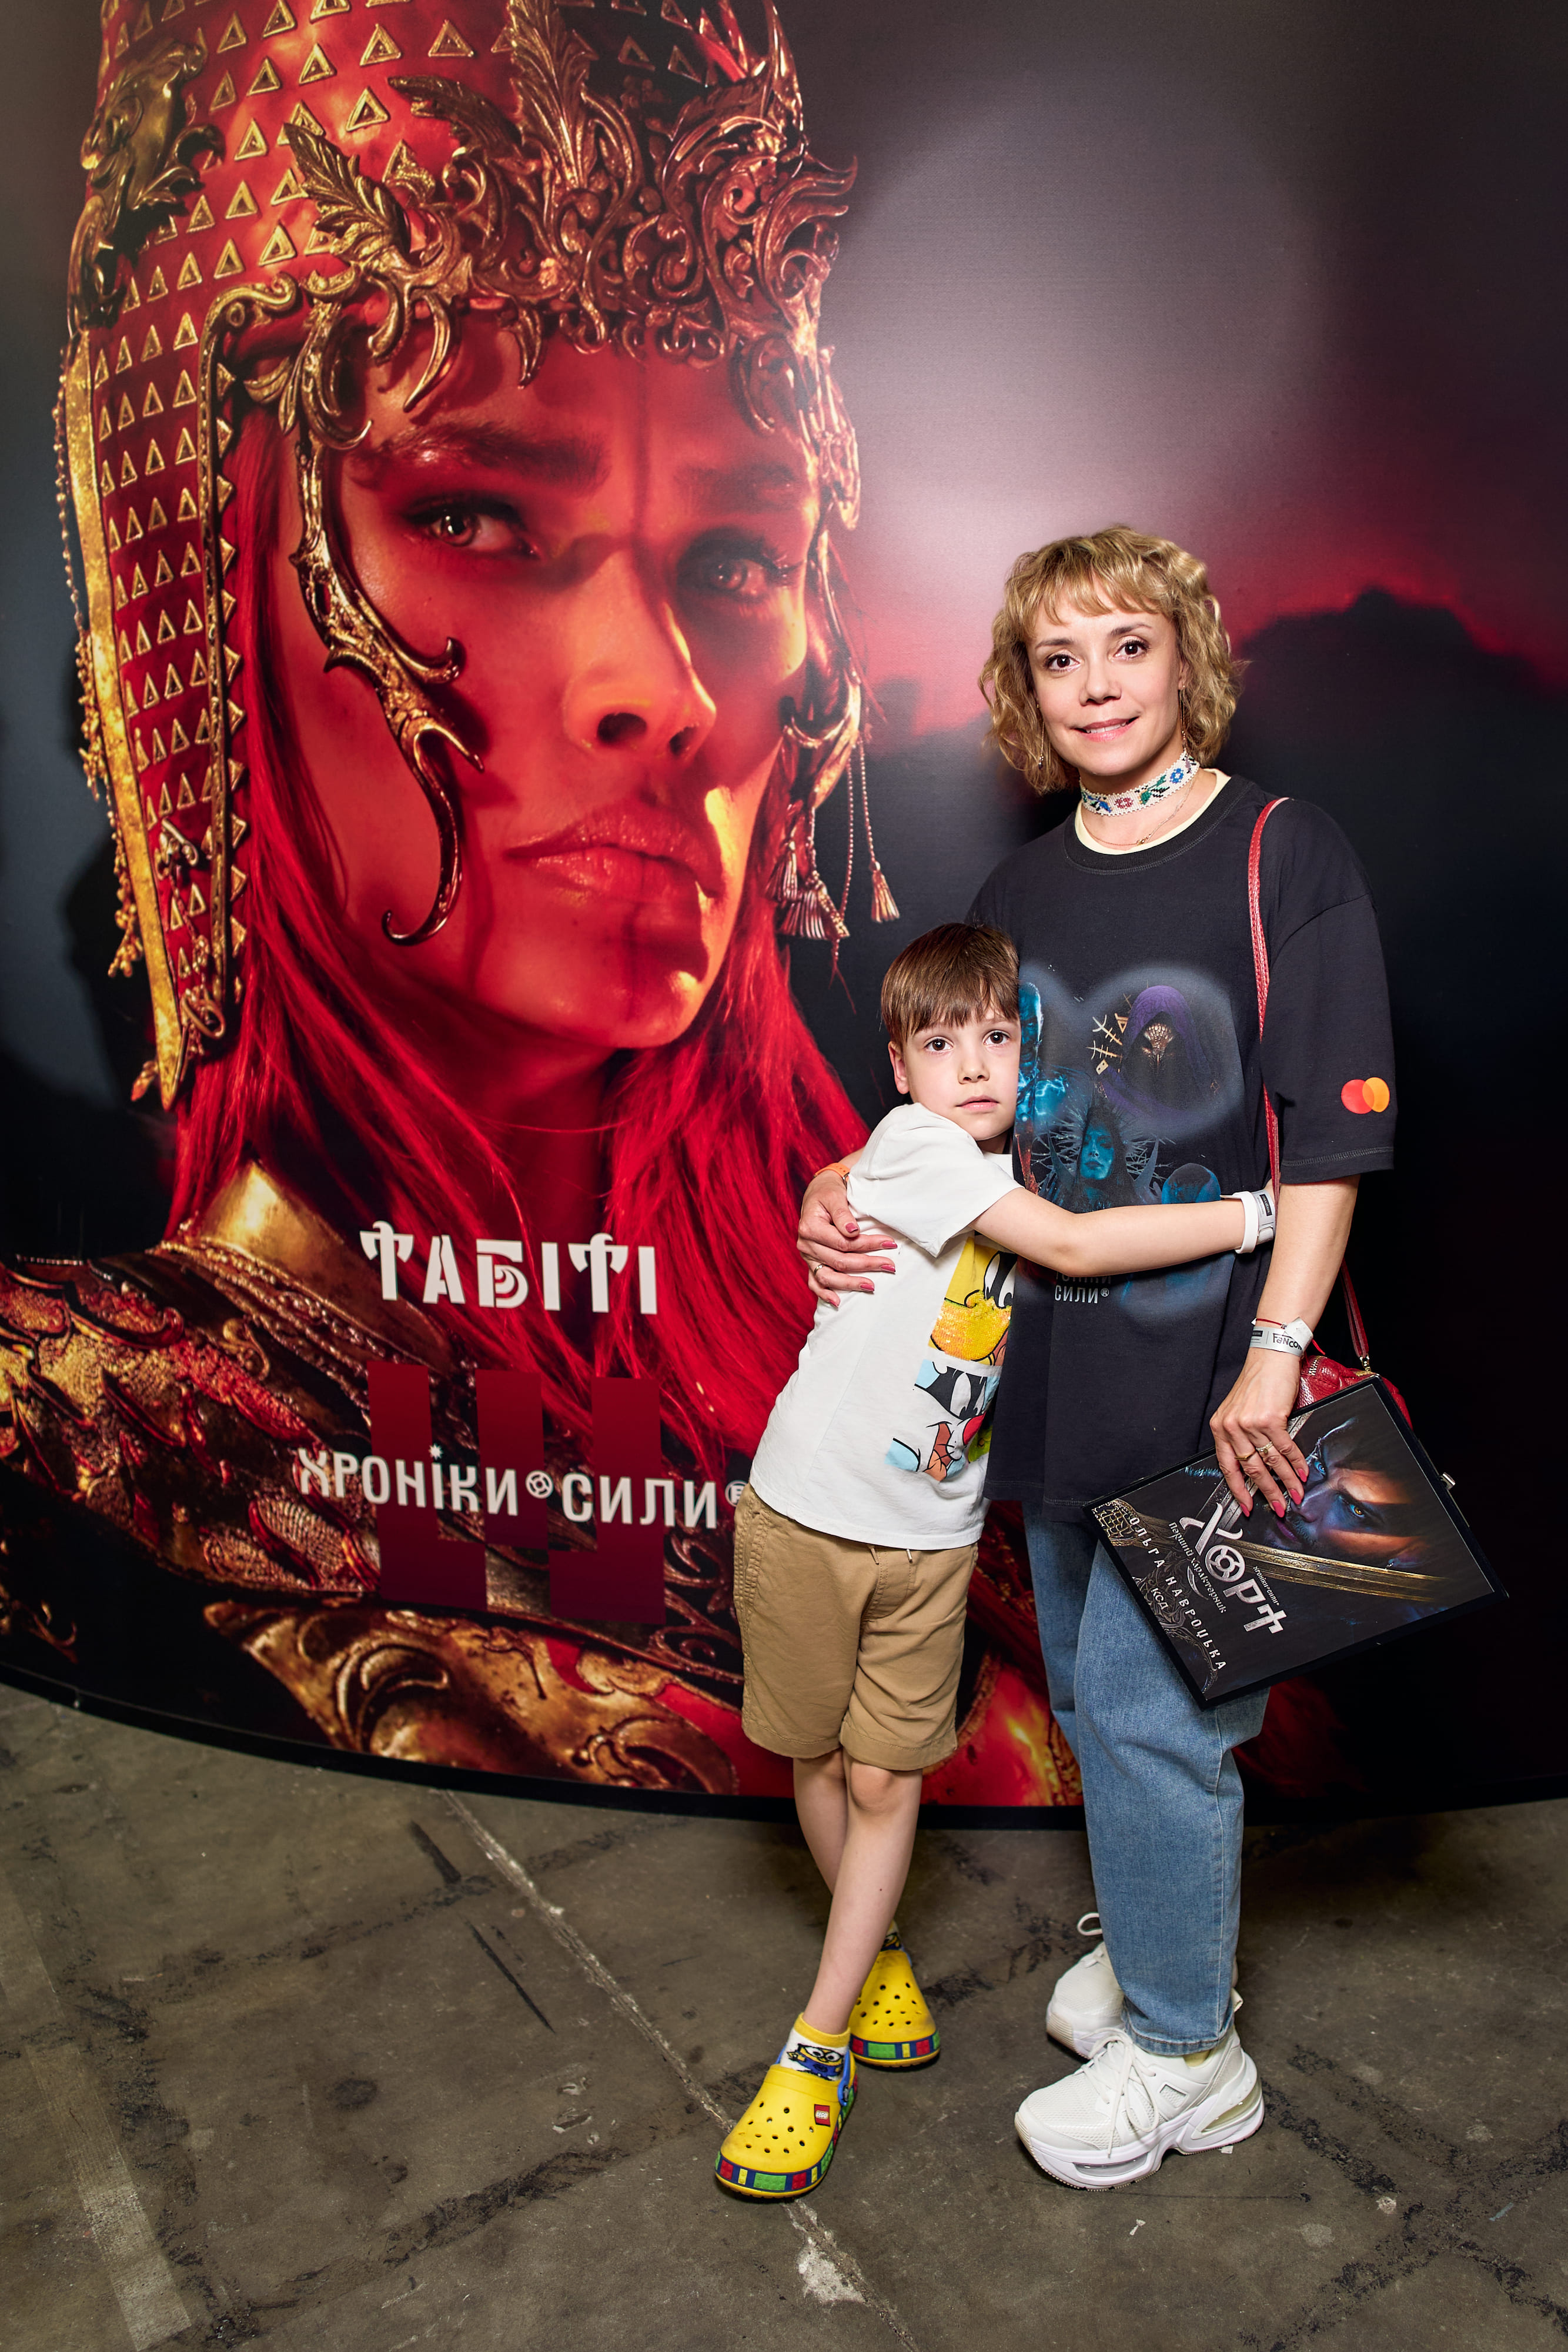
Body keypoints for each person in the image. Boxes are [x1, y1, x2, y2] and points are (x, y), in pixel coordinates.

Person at [4, 0, 1064, 1801]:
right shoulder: (77, 1447)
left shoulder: (907, 1324)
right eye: (477, 518)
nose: (659, 687)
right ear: (207, 593)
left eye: (734, 556)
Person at [797, 526, 1397, 2189]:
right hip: (1046, 1367)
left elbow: (1327, 1148)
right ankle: (1154, 1945)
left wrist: (1271, 1356)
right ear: (1026, 692)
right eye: (1058, 659)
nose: (1095, 686)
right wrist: (839, 1178)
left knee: (1152, 1715)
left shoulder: (1283, 850)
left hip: (1212, 1371)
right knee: (1085, 1691)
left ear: (1183, 656)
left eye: (1125, 645)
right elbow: (961, 1107)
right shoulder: (1021, 893)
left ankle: (1189, 2053)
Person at [716, 921, 1275, 2199]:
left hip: (931, 1537)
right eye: (938, 1042)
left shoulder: (1026, 1157)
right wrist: (1253, 1215)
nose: (972, 1064)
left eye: (995, 1036)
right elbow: (1070, 1250)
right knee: (816, 1758)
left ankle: (814, 2045)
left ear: (1033, 1050)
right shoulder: (920, 1149)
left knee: (883, 1774)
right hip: (809, 1511)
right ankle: (871, 1957)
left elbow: (1074, 1218)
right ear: (899, 1067)